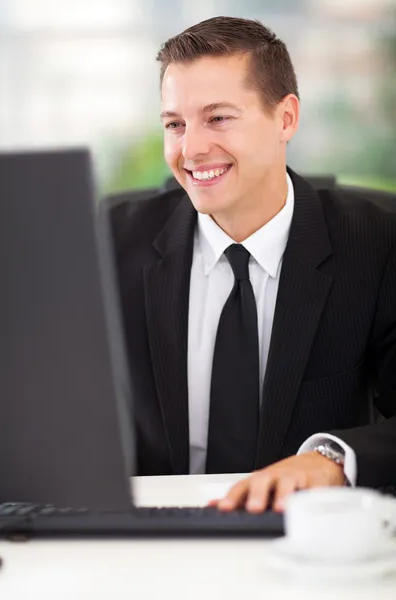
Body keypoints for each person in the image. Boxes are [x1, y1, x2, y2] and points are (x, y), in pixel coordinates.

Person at [110, 16, 396, 512]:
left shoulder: (376, 241)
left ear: (285, 118)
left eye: (218, 118)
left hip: (302, 534)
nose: (191, 149)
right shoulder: (108, 241)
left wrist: (331, 458)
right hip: (148, 537)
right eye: (175, 124)